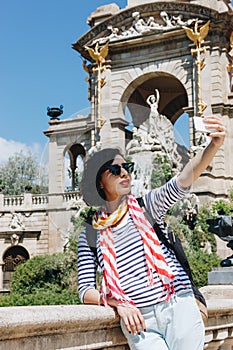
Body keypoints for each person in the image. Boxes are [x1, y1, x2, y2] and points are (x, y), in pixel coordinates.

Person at [78, 115, 225, 350]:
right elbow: (85, 290)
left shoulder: (147, 206)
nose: (124, 173)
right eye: (115, 170)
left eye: (127, 167)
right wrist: (117, 303)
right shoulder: (90, 234)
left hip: (178, 304)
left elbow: (184, 179)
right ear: (99, 183)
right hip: (138, 321)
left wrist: (213, 146)